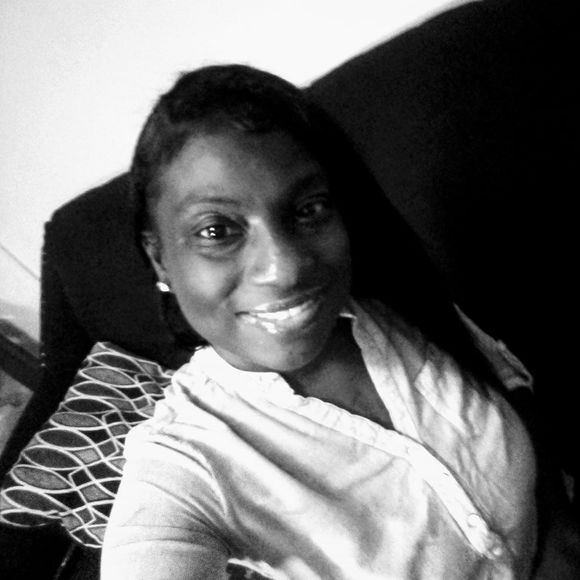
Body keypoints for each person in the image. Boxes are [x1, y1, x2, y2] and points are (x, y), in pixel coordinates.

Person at [100, 64, 551, 579]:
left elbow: (513, 395)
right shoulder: (186, 460)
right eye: (217, 230)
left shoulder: (401, 300)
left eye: (308, 209)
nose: (285, 268)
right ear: (159, 258)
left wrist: (559, 536)